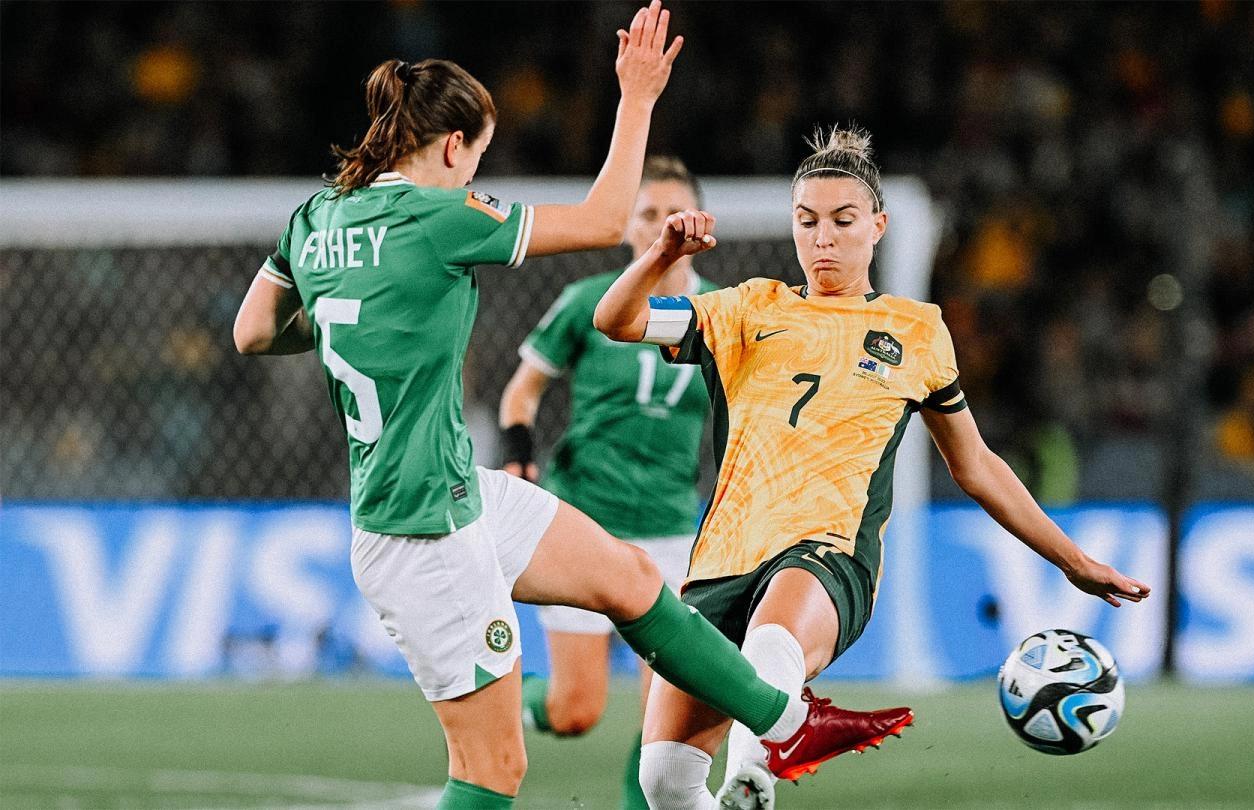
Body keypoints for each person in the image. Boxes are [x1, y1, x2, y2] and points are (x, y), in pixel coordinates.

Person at [231, 6, 911, 807]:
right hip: (421, 531)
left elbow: (253, 333)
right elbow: (601, 219)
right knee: (492, 774)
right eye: (476, 159)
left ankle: (785, 723)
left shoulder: (312, 219)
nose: (472, 177)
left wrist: (367, 314)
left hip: (459, 491)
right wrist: (637, 97)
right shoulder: (439, 216)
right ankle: (781, 722)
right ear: (453, 147)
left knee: (628, 578)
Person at [593, 125, 1153, 810]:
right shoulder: (745, 309)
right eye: (807, 221)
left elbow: (974, 464)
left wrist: (1069, 559)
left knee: (775, 638)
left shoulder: (915, 330)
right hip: (722, 561)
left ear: (878, 226)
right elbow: (615, 319)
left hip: (827, 556)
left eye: (842, 220)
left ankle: (754, 775)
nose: (822, 238)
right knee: (664, 782)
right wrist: (661, 255)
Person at [497, 155, 717, 810]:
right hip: (584, 522)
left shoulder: (726, 313)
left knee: (666, 726)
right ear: (627, 227)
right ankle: (501, 701)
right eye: (647, 213)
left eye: (674, 210)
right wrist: (518, 456)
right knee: (575, 710)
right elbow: (522, 393)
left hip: (674, 531)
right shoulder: (588, 302)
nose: (661, 224)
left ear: (702, 224)